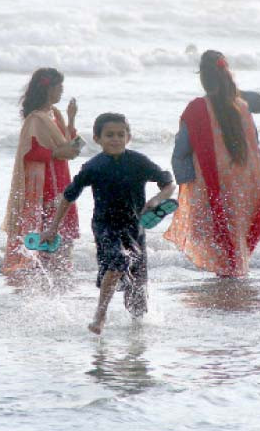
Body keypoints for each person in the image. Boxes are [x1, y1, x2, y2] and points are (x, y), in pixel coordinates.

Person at [42, 112, 175, 334]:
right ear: (97, 139)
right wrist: (53, 228)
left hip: (135, 229)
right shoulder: (93, 166)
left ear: (128, 137)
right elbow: (69, 196)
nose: (115, 139)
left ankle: (136, 344)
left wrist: (156, 199)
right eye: (109, 135)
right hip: (106, 227)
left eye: (120, 135)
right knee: (117, 263)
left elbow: (169, 185)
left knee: (137, 296)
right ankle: (99, 316)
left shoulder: (138, 162)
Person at [164, 50, 260, 277]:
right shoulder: (242, 106)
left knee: (218, 236)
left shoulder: (197, 108)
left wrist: (185, 185)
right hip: (246, 183)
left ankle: (228, 284)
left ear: (203, 77)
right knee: (235, 237)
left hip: (212, 184)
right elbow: (255, 146)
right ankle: (233, 278)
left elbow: (181, 150)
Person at [1, 68, 81, 287]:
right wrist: (56, 154)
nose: (62, 91)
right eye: (59, 87)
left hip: (62, 176)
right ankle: (42, 280)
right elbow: (30, 151)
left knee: (64, 239)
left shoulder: (55, 114)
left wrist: (72, 118)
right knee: (46, 234)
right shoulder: (35, 118)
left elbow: (67, 143)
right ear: (48, 89)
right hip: (46, 182)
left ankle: (60, 280)